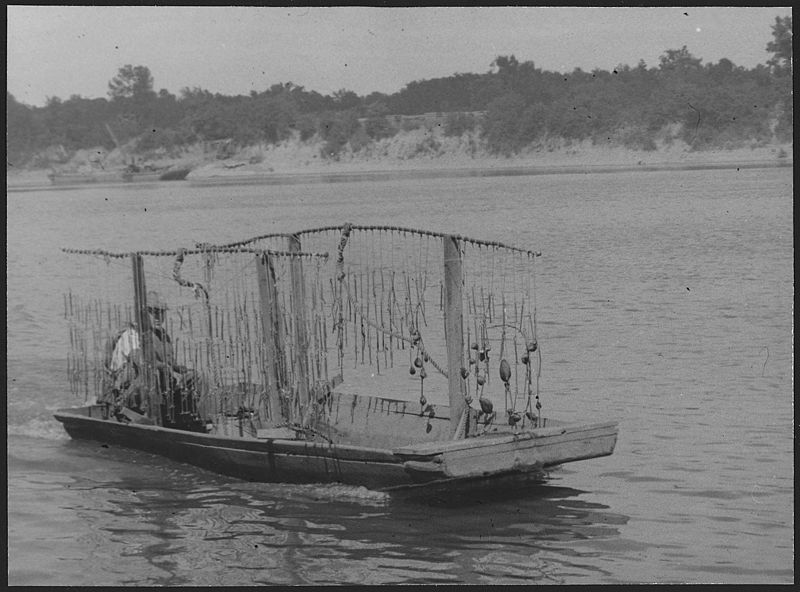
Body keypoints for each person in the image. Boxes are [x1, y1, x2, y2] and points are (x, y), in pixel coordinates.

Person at [103, 291, 204, 429]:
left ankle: (187, 416)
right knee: (153, 373)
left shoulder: (162, 336)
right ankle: (152, 418)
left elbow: (169, 363)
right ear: (144, 314)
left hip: (159, 387)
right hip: (131, 394)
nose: (157, 316)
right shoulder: (132, 335)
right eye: (153, 312)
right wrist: (165, 367)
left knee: (197, 377)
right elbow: (142, 361)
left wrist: (178, 368)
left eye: (161, 312)